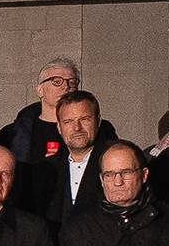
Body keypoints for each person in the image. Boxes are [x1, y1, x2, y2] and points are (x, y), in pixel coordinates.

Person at [0, 57, 116, 163]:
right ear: (40, 90)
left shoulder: (100, 129)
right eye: (56, 81)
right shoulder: (14, 133)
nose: (66, 86)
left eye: (72, 82)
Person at [22, 90, 109, 225]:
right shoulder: (45, 170)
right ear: (59, 127)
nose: (77, 128)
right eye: (68, 121)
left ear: (98, 121)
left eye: (84, 119)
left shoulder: (116, 163)